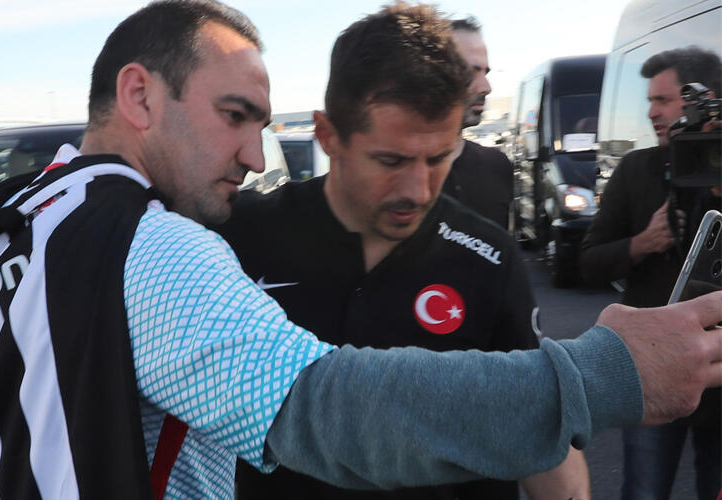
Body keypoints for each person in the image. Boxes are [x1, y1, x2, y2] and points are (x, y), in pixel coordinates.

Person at [0, 2, 722, 499]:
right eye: (234, 115)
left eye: (440, 157)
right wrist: (605, 373)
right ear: (138, 95)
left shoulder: (10, 219)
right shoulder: (158, 245)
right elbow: (323, 408)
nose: (256, 156)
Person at [218, 5, 588, 499]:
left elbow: (544, 429)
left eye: (438, 158)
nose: (418, 190)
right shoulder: (241, 237)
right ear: (328, 136)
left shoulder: (487, 258)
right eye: (391, 160)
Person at [580, 46, 722, 500]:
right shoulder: (635, 169)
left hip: (719, 377)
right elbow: (587, 262)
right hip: (652, 371)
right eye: (650, 101)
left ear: (704, 99)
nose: (651, 112)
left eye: (663, 100)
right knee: (644, 490)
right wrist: (642, 243)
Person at [440, 17, 514, 229]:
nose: (486, 87)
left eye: (485, 72)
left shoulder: (497, 166)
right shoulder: (397, 176)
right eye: (470, 72)